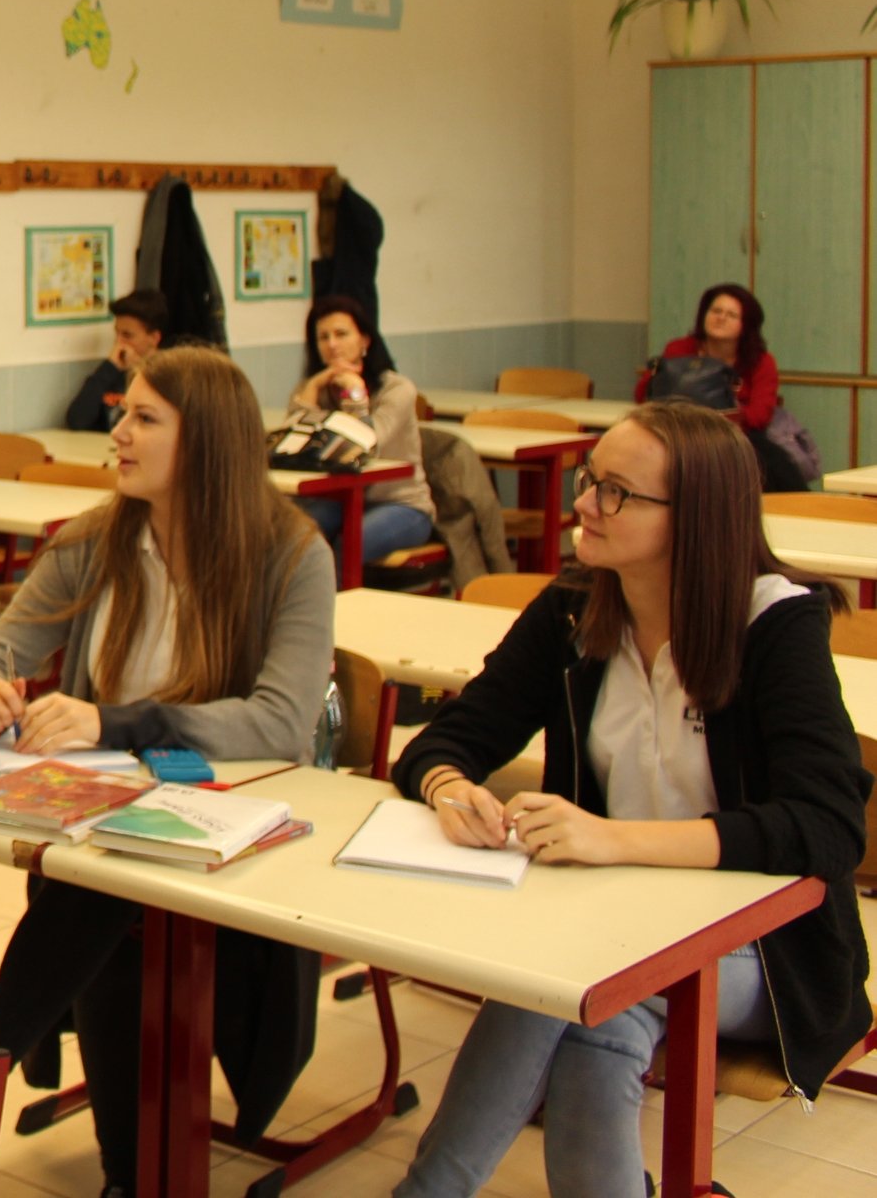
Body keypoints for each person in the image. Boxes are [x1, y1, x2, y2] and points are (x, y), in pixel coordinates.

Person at [390, 402, 870, 1196]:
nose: (583, 503)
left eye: (615, 492)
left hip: (767, 948)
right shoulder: (575, 608)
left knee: (569, 969)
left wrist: (613, 840)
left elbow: (827, 827)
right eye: (590, 480)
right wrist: (450, 789)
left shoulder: (775, 625)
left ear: (695, 518)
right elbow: (449, 739)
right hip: (610, 924)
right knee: (595, 1017)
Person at [0, 347, 335, 1197]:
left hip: (234, 823)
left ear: (208, 441)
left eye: (144, 418)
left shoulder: (290, 553)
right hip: (109, 820)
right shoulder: (94, 541)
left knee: (106, 894)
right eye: (122, 414)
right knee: (110, 889)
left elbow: (281, 723)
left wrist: (117, 721)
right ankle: (108, 1154)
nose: (118, 433)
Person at [283, 294, 435, 560]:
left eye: (341, 334)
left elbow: (366, 445)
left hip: (400, 504)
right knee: (293, 535)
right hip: (340, 499)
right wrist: (311, 389)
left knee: (349, 545)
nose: (332, 344)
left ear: (364, 340)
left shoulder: (397, 389)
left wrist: (355, 395)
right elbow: (295, 445)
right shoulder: (317, 388)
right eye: (323, 337)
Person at [635, 282, 802, 489]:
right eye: (716, 311)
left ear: (746, 325)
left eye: (731, 315)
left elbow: (759, 415)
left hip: (734, 436)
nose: (721, 318)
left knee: (772, 462)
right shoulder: (679, 349)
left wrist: (721, 415)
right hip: (677, 433)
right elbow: (643, 395)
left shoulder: (760, 361)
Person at [62, 288, 170, 431]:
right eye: (117, 333)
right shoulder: (113, 370)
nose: (118, 343)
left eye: (127, 335)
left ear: (154, 338)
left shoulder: (169, 376)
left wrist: (139, 373)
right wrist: (109, 367)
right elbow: (77, 421)